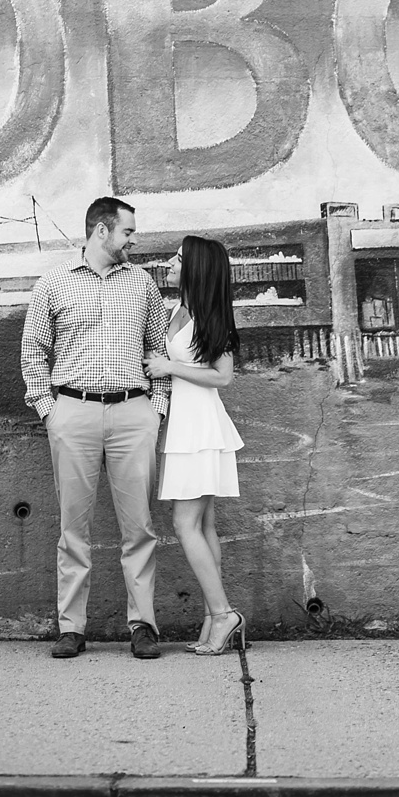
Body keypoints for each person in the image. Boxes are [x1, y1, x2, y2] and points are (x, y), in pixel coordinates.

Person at [20, 196, 171, 661]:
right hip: (73, 414)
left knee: (139, 527)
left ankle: (142, 626)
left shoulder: (143, 285)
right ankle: (72, 628)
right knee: (73, 529)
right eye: (127, 232)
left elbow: (160, 351)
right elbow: (32, 352)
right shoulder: (53, 285)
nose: (133, 240)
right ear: (102, 231)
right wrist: (51, 411)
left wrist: (156, 410)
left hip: (133, 414)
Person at [144, 235, 245, 656]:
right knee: (203, 526)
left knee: (184, 525)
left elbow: (223, 376)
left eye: (179, 258)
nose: (170, 261)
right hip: (188, 426)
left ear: (196, 268)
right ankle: (212, 620)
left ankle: (223, 615)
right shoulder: (179, 309)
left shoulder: (207, 313)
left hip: (200, 428)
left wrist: (170, 366)